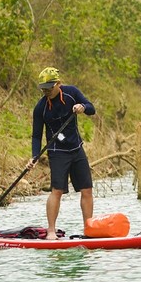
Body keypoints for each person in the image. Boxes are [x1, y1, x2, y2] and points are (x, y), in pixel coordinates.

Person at [26, 66, 95, 240]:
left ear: (58, 84)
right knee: (57, 191)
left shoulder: (71, 93)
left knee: (86, 190)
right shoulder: (40, 108)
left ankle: (90, 229)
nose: (46, 91)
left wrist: (82, 107)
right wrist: (34, 156)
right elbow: (36, 136)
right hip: (57, 152)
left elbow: (91, 108)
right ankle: (51, 231)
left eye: (49, 88)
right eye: (43, 88)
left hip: (76, 149)